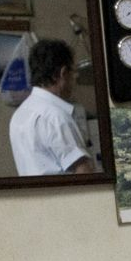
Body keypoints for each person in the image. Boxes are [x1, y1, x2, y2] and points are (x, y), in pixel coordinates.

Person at [8, 39, 95, 177]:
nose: (74, 78)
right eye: (73, 72)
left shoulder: (19, 114)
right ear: (63, 73)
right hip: (67, 197)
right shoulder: (56, 117)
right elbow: (83, 172)